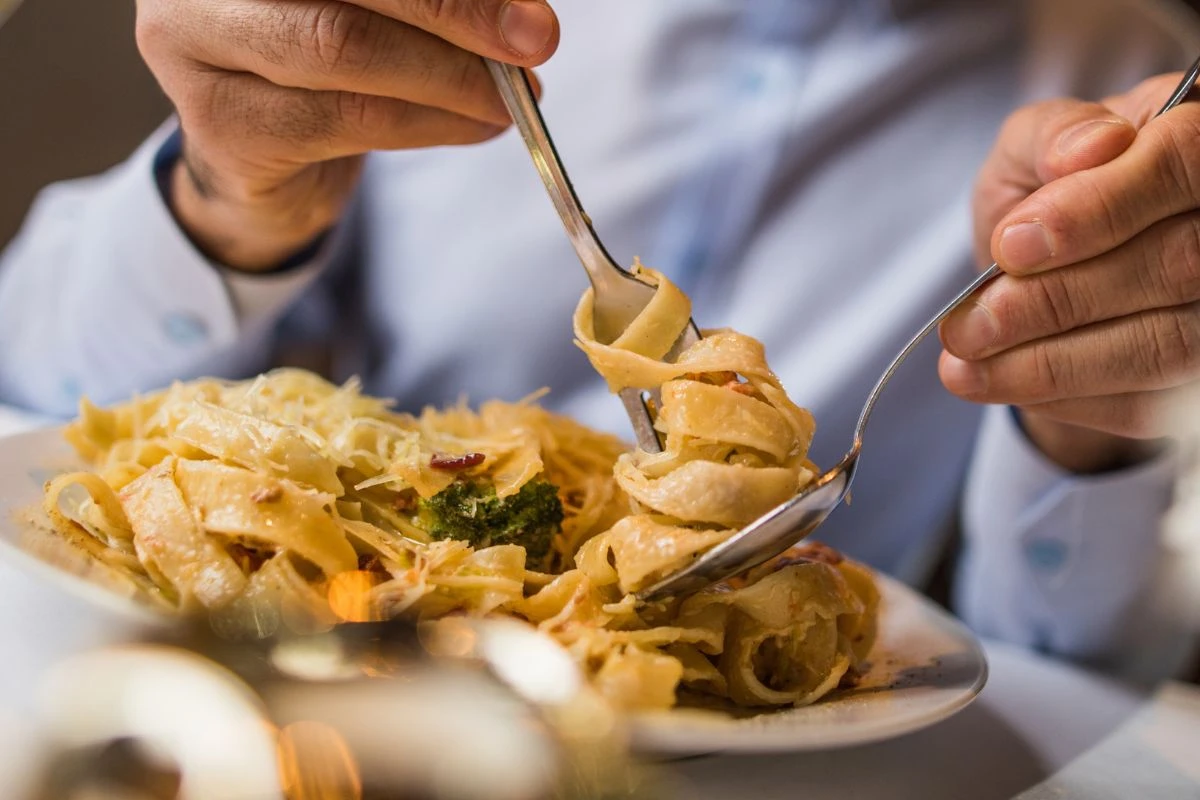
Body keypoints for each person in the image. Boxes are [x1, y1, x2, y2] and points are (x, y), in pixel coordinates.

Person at [0, 0, 1197, 674]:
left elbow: (1063, 673)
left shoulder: (1134, 103)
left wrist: (1085, 413)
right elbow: (34, 394)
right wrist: (228, 198)